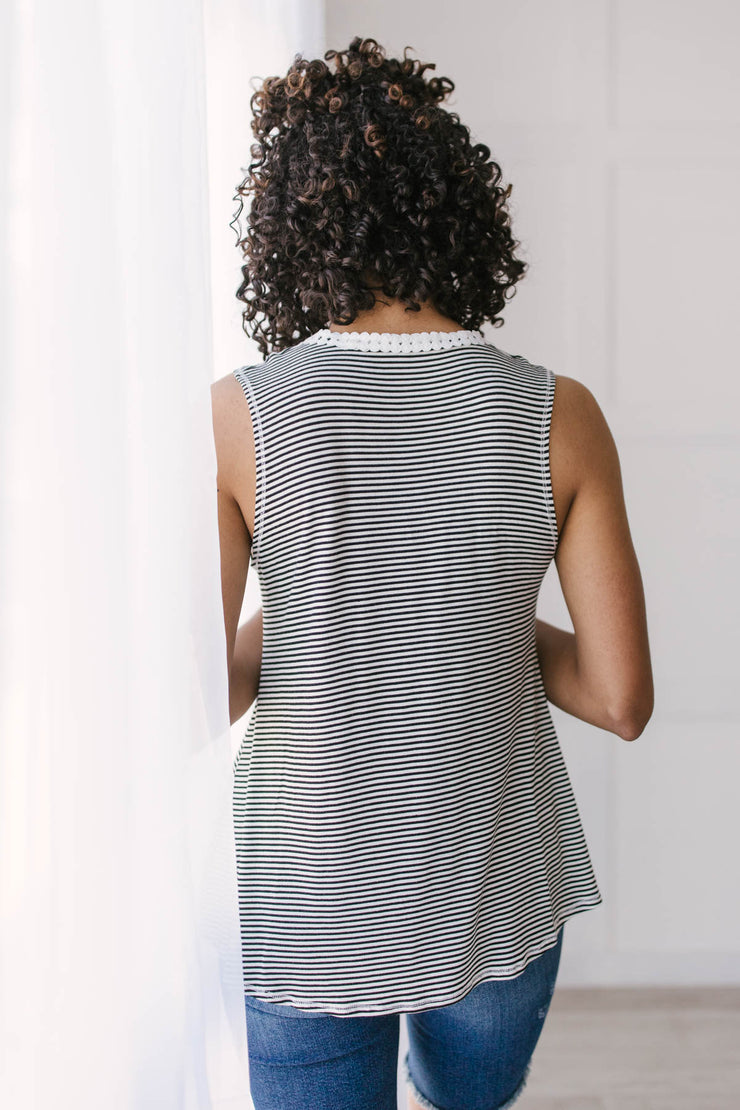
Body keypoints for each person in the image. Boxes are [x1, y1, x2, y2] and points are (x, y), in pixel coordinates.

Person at [210, 35, 653, 1110]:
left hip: (306, 905)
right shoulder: (557, 412)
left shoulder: (238, 416)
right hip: (492, 890)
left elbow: (207, 690)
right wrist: (470, 607)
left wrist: (323, 607)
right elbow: (620, 699)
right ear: (456, 209)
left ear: (287, 226)